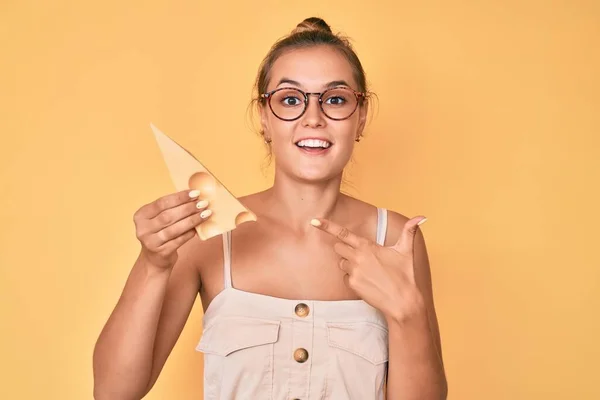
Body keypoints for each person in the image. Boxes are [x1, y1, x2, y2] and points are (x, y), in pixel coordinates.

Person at [93, 17, 447, 400]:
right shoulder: (208, 233)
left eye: (336, 99)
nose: (313, 118)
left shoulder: (395, 239)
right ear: (263, 118)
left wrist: (407, 313)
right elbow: (114, 393)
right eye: (291, 100)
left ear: (360, 117)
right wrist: (152, 263)